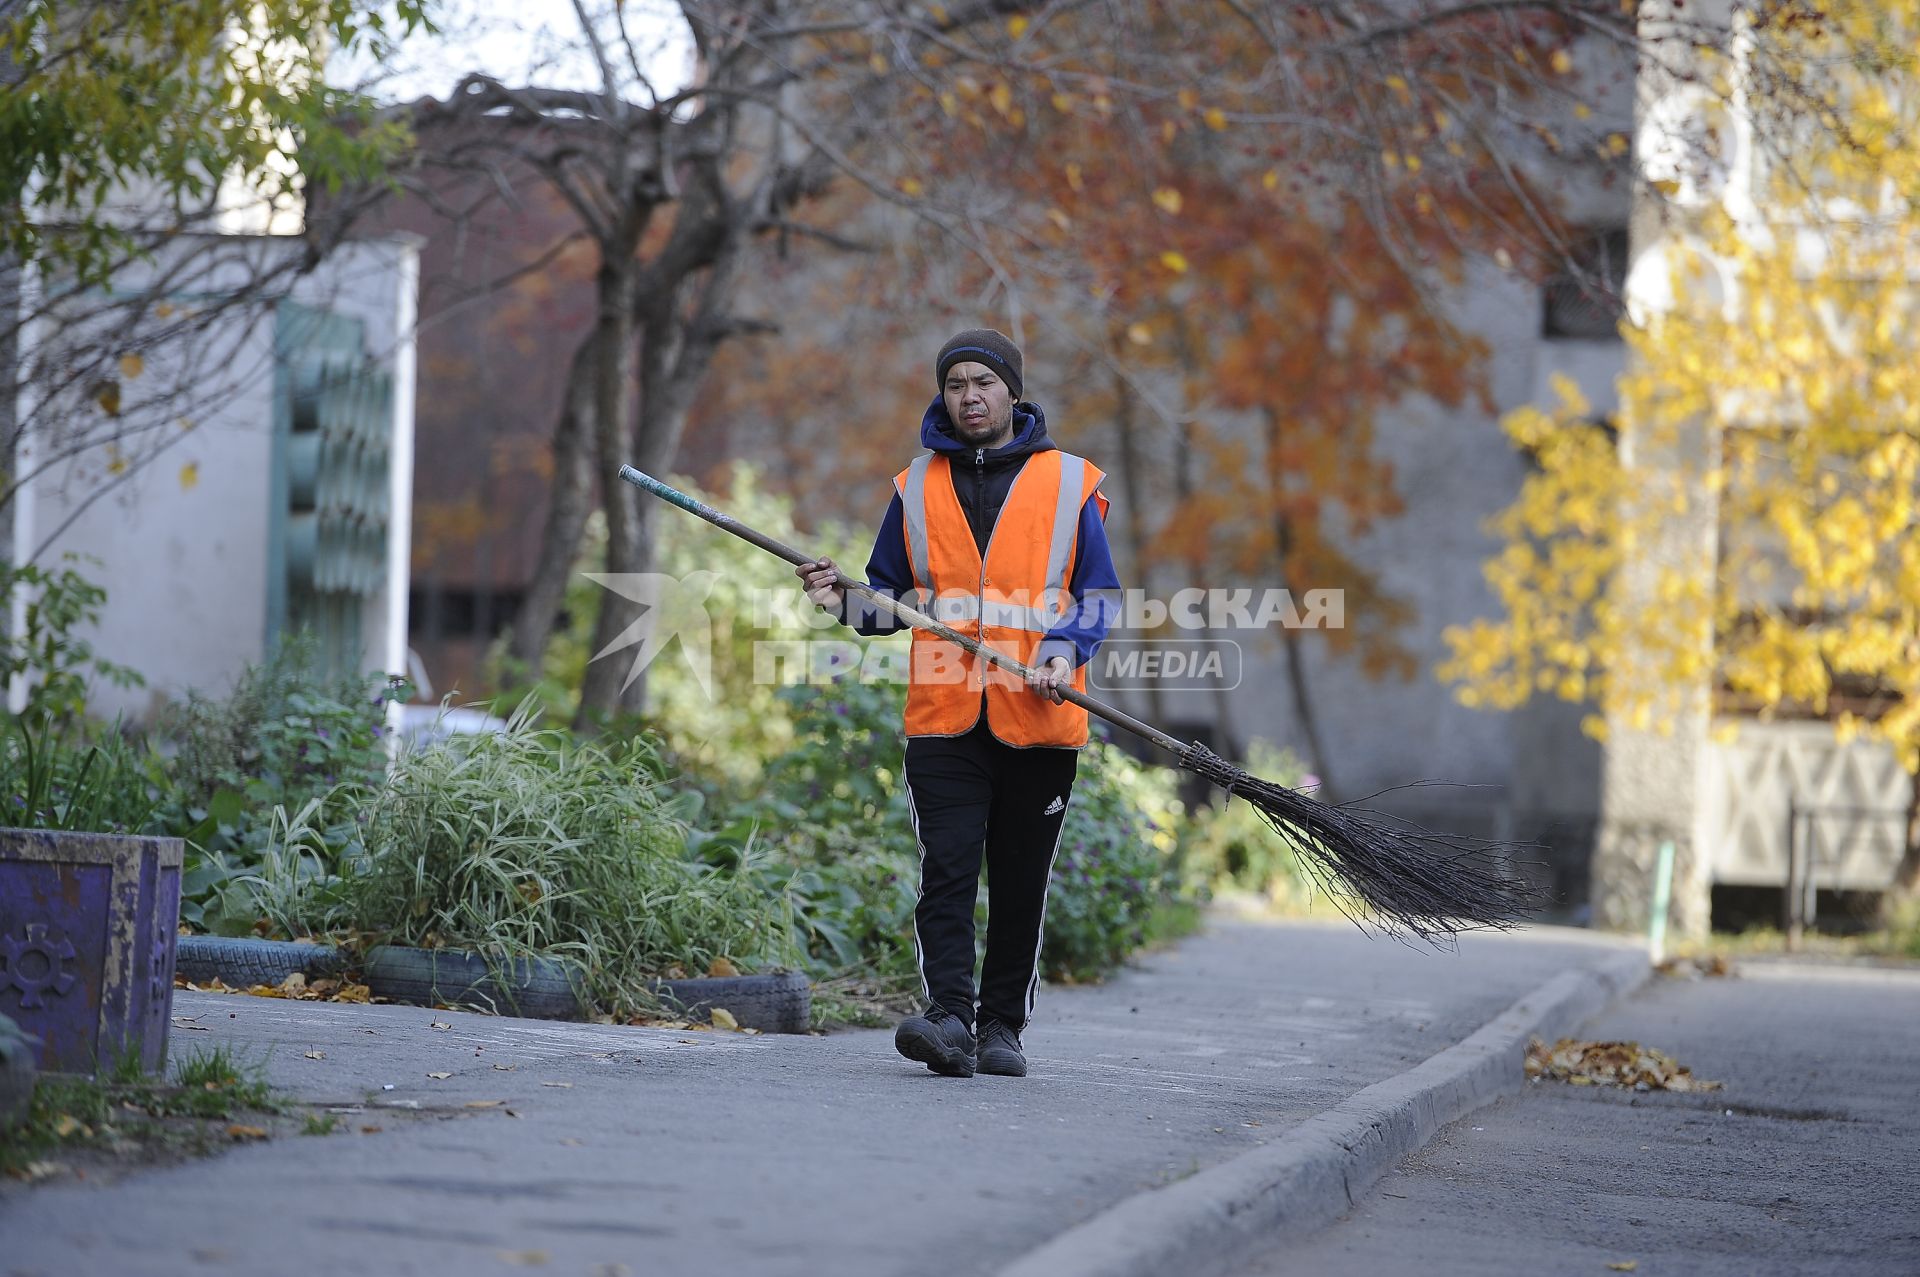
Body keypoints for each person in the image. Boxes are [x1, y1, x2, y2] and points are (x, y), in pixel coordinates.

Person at [796, 328, 1121, 1078]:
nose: (969, 397)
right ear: (942, 394)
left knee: (1020, 877)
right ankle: (948, 1016)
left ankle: (1001, 1025)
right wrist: (841, 599)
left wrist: (1063, 649)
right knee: (946, 866)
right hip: (945, 718)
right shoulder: (915, 486)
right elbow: (888, 603)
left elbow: (1097, 594)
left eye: (983, 382)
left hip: (1039, 716)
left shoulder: (1070, 482)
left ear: (1012, 390)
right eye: (955, 384)